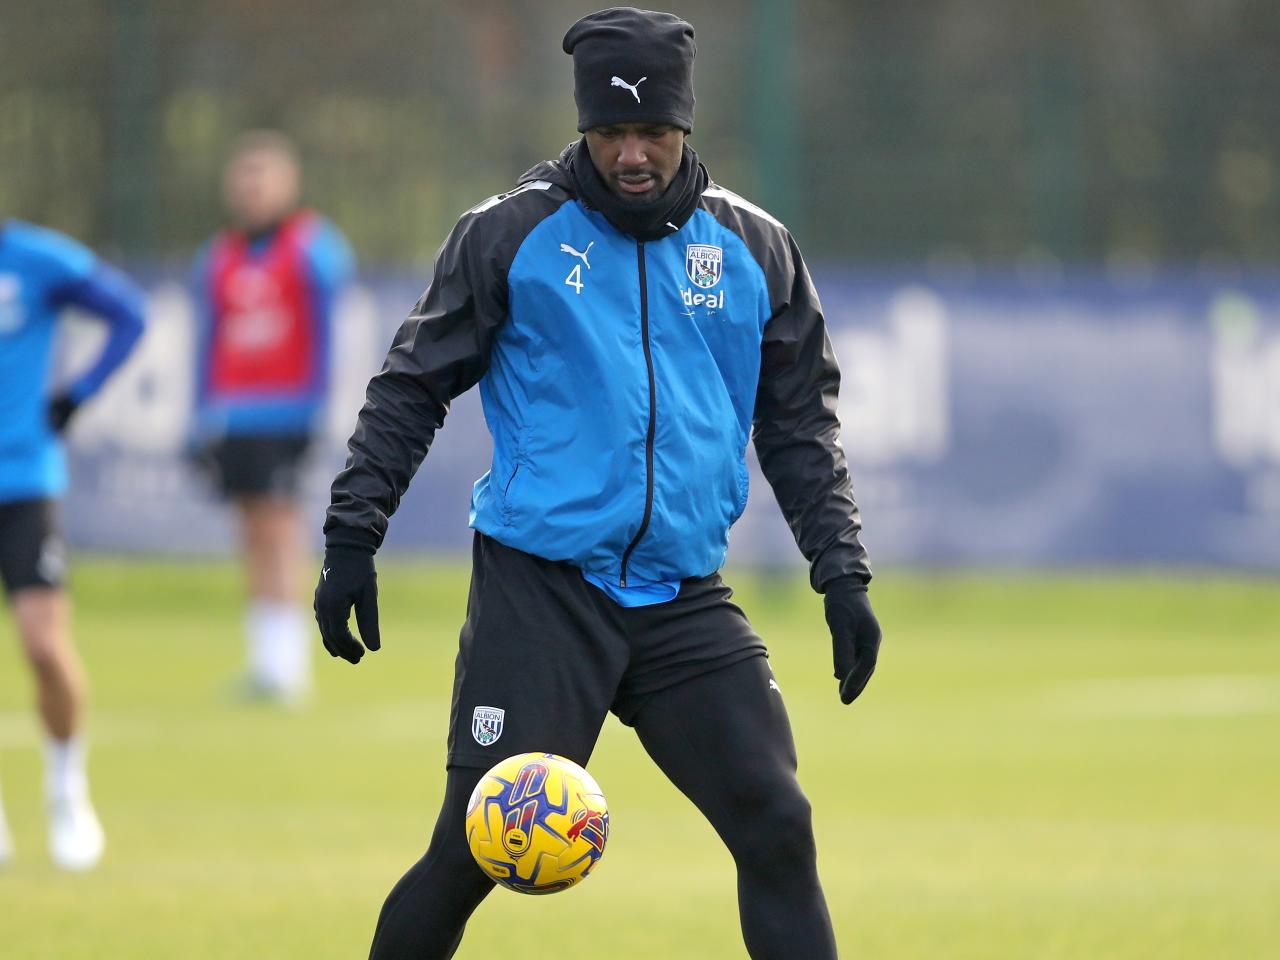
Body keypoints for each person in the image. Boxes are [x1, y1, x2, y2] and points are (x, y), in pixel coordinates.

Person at [314, 8, 882, 958]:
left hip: (682, 601)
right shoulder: (509, 236)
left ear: (684, 128)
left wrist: (843, 573)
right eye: (610, 133)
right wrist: (350, 538)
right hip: (541, 591)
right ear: (583, 128)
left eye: (651, 133)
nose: (631, 155)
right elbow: (409, 391)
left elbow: (798, 428)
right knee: (469, 853)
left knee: (779, 827)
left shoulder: (755, 250)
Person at [0, 218, 146, 870]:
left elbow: (129, 315)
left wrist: (78, 395)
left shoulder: (39, 258)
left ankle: (66, 790)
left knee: (44, 645)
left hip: (24, 479)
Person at [192, 131, 354, 703]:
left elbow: (329, 333)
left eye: (263, 175)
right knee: (250, 532)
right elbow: (208, 343)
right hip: (237, 416)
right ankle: (263, 660)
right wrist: (200, 418)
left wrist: (319, 408)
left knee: (281, 531)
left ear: (288, 182)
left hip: (288, 413)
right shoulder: (220, 256)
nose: (252, 187)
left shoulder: (313, 247)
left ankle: (289, 668)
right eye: (244, 175)